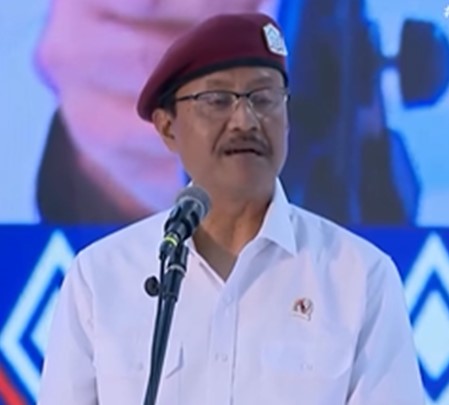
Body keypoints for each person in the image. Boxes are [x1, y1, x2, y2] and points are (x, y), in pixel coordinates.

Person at [37, 12, 426, 405]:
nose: (245, 120)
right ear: (168, 128)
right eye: (217, 100)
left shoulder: (360, 278)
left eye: (264, 99)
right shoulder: (99, 279)